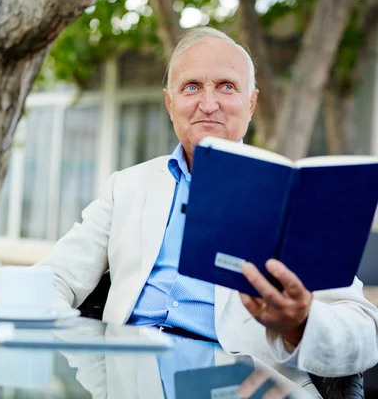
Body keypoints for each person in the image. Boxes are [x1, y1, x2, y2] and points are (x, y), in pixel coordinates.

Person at [34, 26, 378, 393]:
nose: (209, 103)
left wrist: (302, 323)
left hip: (246, 385)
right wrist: (76, 354)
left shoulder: (291, 199)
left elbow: (365, 331)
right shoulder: (127, 186)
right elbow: (52, 280)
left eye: (227, 86)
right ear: (170, 103)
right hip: (128, 380)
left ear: (251, 102)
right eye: (192, 87)